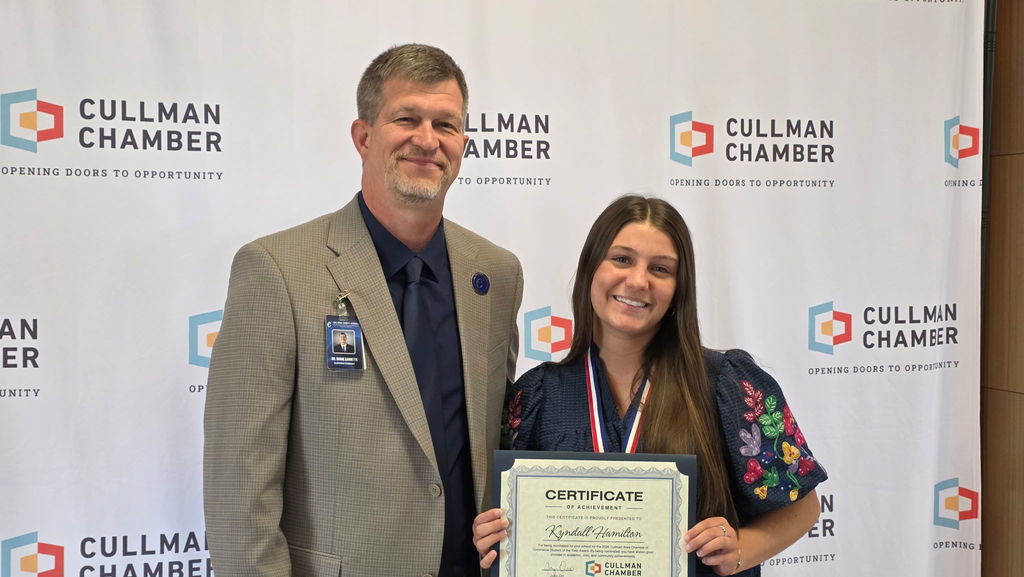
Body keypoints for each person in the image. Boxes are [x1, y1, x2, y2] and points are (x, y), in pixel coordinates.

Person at [204, 44, 523, 577]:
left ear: (463, 144)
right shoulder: (277, 270)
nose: (428, 139)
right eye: (407, 119)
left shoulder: (495, 274)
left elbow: (496, 443)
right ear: (363, 136)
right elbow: (238, 490)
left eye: (446, 124)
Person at [472, 195, 826, 576]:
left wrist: (740, 549)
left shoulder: (728, 385)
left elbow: (803, 507)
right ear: (591, 269)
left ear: (678, 289)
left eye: (660, 269)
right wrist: (493, 534)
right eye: (622, 259)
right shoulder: (536, 396)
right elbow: (508, 515)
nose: (638, 281)